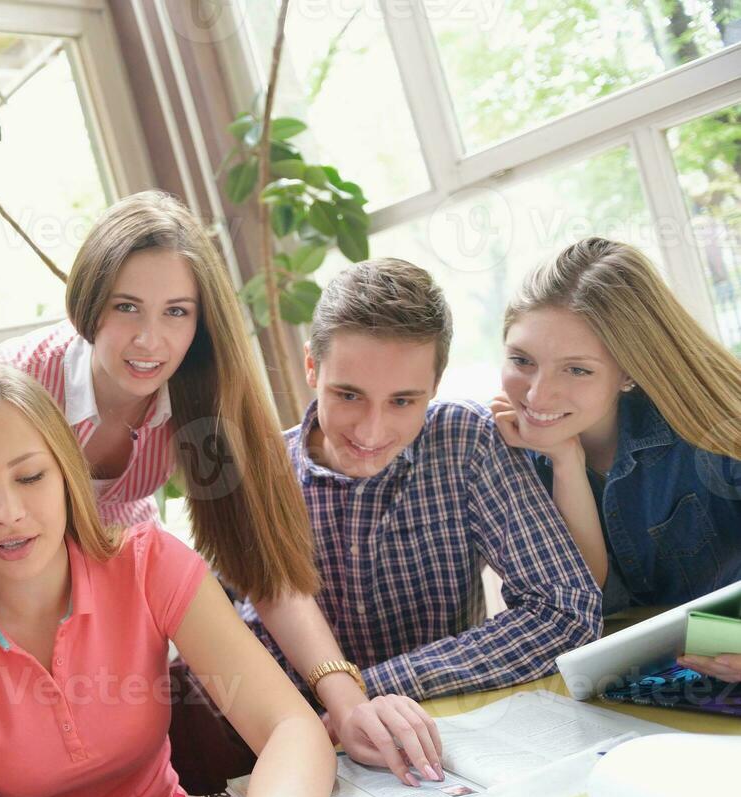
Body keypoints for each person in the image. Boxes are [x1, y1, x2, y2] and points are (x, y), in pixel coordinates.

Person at [0, 190, 441, 782]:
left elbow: (264, 566)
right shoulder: (17, 381)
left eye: (177, 312)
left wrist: (347, 703)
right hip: (14, 587)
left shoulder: (200, 394)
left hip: (119, 577)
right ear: (90, 302)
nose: (151, 341)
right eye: (127, 307)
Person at [0, 364, 335, 797]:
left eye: (30, 477)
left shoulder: (150, 564)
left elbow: (291, 727)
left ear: (66, 472)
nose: (7, 514)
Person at [242, 258, 604, 706]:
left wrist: (361, 696)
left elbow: (565, 611)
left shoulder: (465, 443)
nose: (371, 432)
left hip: (445, 729)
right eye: (349, 395)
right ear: (312, 367)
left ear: (435, 384)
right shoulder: (258, 476)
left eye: (402, 401)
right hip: (300, 737)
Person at [492, 237, 741, 683]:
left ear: (629, 370)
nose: (536, 394)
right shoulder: (513, 454)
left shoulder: (712, 425)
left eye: (577, 369)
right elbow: (588, 608)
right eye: (522, 360)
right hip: (659, 686)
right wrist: (566, 463)